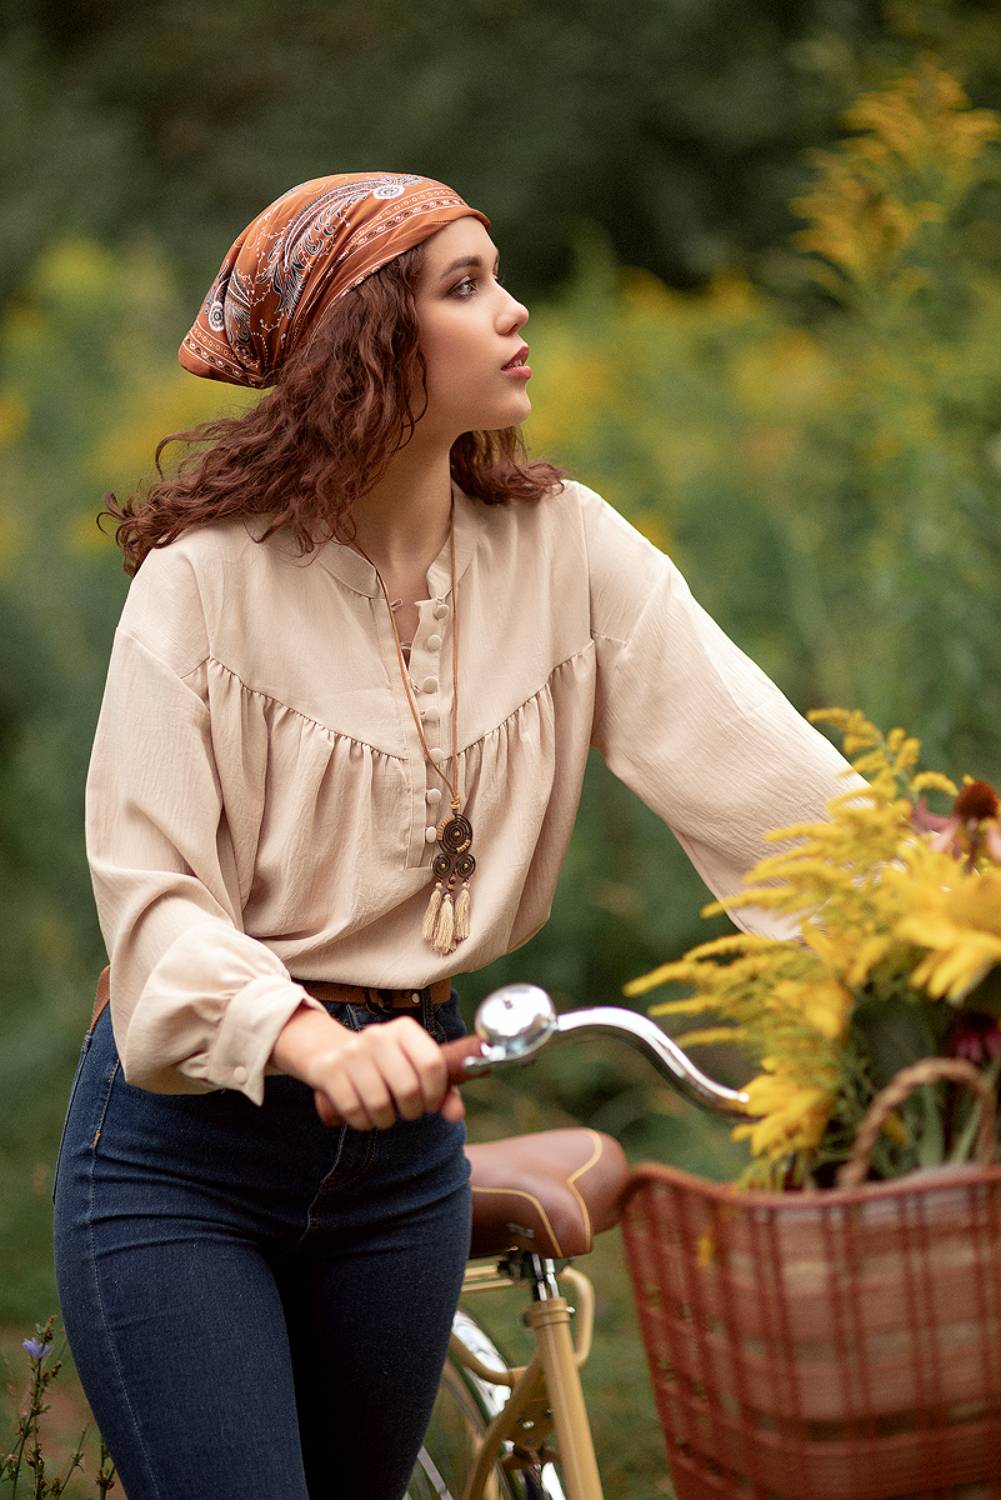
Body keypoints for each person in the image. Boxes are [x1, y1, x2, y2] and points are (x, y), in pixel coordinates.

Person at [52, 172, 854, 1500]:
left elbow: (776, 791)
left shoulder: (566, 547)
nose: (514, 311)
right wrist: (312, 1041)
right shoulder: (204, 584)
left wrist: (936, 906)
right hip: (188, 1155)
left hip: (405, 1154)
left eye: (499, 276)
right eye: (466, 286)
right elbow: (155, 904)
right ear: (365, 343)